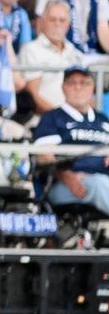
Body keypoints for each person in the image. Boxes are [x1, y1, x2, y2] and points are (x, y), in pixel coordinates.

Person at [34, 64, 109, 215]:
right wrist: (63, 174)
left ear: (92, 88)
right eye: (72, 83)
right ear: (63, 88)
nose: (78, 87)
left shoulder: (103, 120)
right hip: (67, 184)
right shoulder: (53, 118)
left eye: (84, 83)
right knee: (98, 184)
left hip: (103, 180)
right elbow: (43, 157)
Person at [21, 0, 86, 113]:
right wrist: (58, 117)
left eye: (62, 20)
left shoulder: (75, 53)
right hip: (43, 121)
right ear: (42, 22)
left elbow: (85, 91)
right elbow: (32, 95)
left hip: (74, 121)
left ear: (68, 25)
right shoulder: (31, 50)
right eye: (52, 19)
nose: (57, 24)